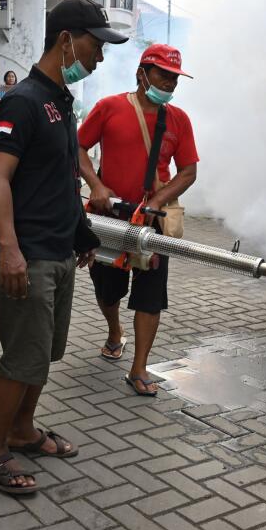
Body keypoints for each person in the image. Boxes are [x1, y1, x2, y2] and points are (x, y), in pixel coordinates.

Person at [0, 0, 126, 495]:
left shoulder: (61, 101)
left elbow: (62, 177)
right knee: (22, 359)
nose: (99, 58)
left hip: (59, 251)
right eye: (94, 47)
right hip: (28, 257)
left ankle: (22, 430)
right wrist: (10, 250)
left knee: (43, 355)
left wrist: (81, 233)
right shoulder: (21, 101)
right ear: (66, 41)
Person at [77, 43, 198, 396]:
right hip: (111, 216)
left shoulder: (178, 120)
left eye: (175, 78)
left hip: (153, 222)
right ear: (141, 74)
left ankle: (139, 367)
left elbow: (188, 171)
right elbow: (78, 147)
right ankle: (114, 331)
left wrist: (157, 200)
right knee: (107, 287)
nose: (171, 84)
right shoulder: (109, 108)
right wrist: (95, 184)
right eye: (164, 75)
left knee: (150, 295)